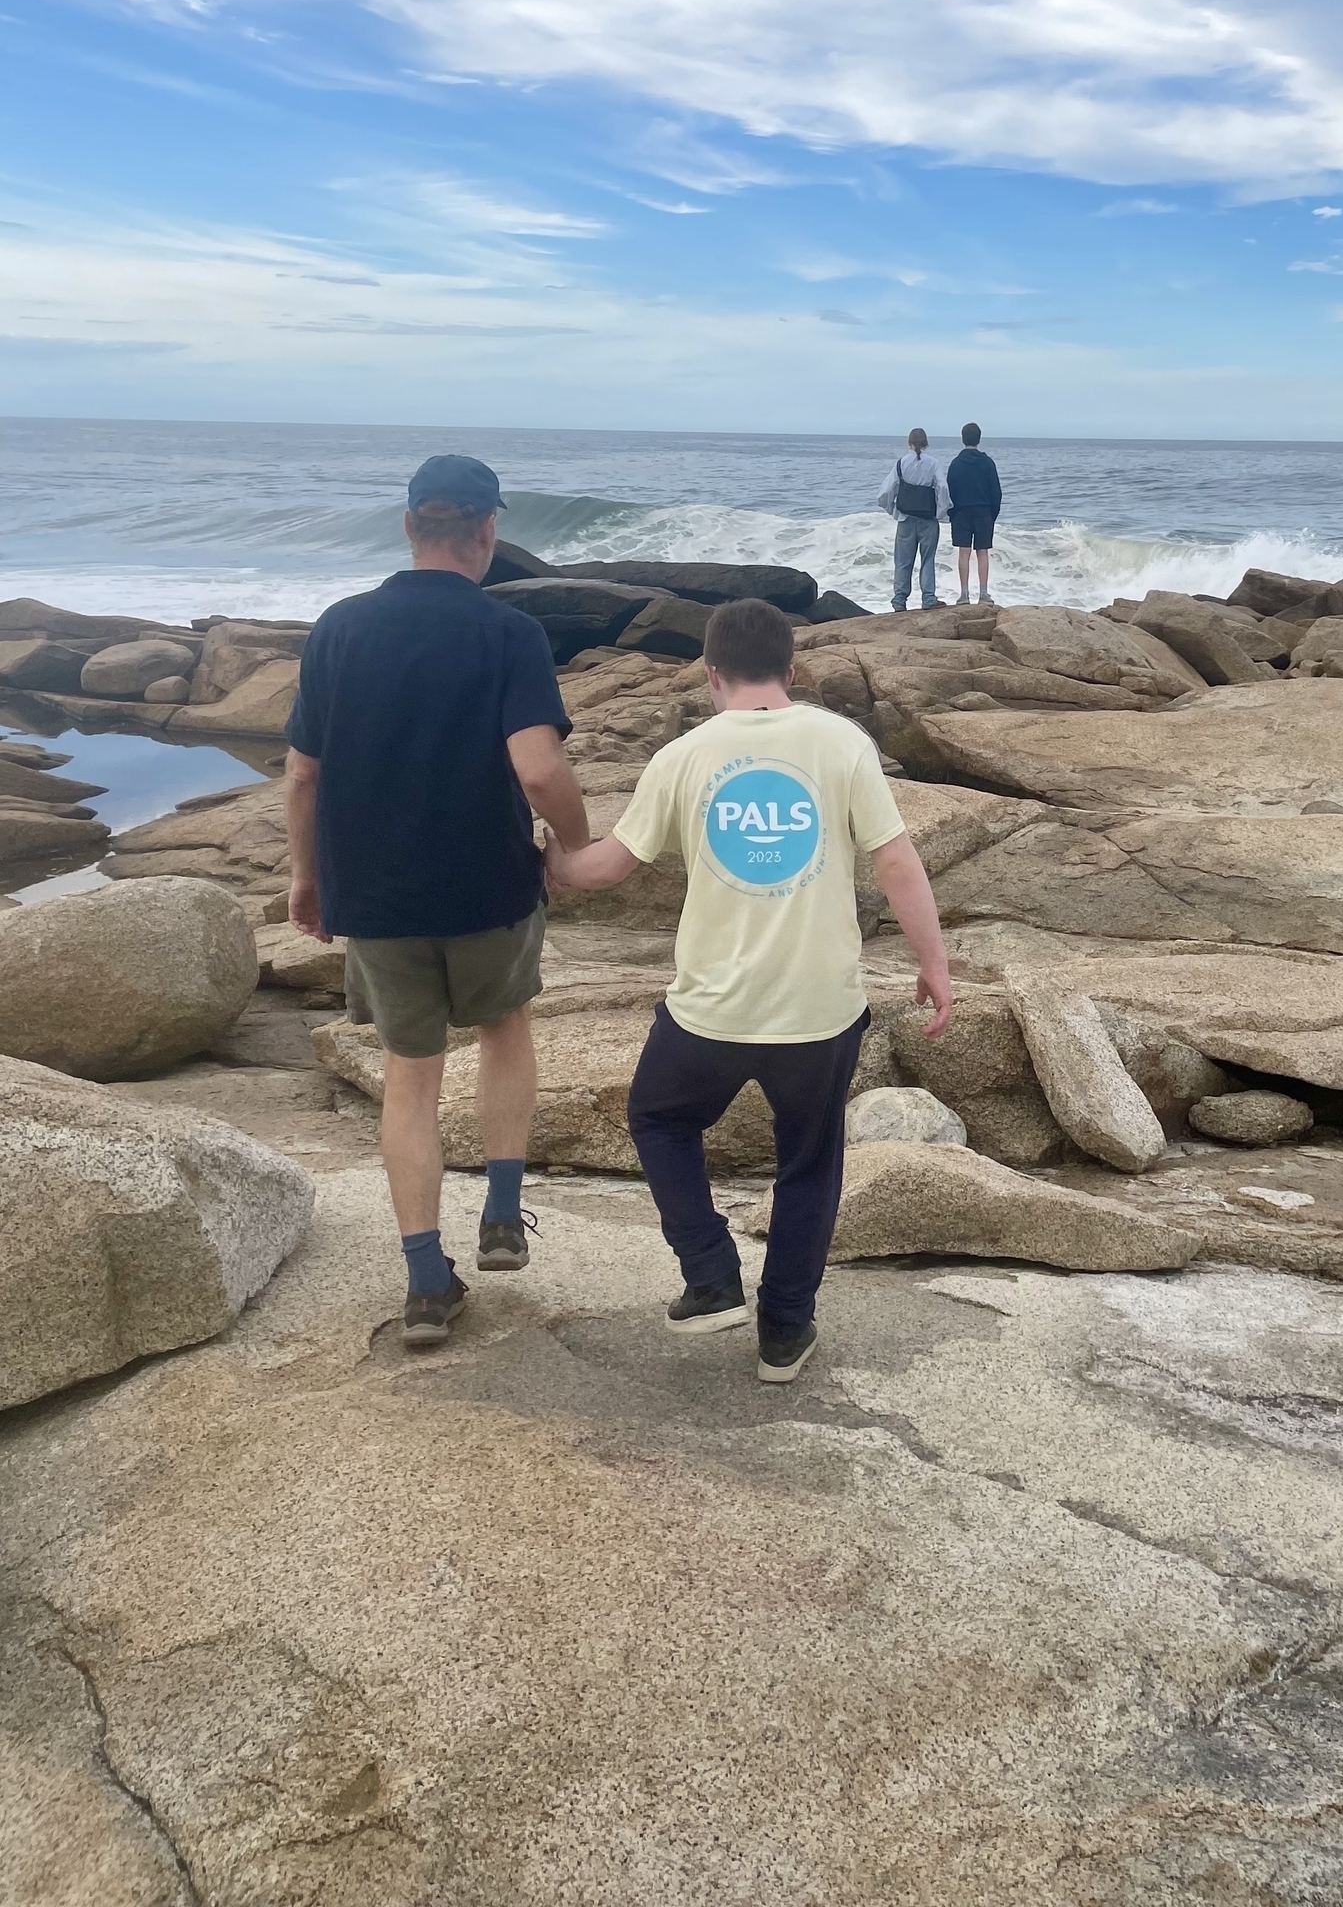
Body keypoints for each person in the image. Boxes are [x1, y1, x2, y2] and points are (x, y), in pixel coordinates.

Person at [546, 597, 953, 1384]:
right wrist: (932, 963)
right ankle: (784, 1335)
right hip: (821, 1010)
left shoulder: (684, 756)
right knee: (809, 1163)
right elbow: (896, 861)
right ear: (793, 671)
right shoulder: (841, 744)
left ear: (711, 676)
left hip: (712, 1008)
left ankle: (709, 1275)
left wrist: (549, 867)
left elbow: (609, 866)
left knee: (660, 1120)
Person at [285, 454, 592, 1347]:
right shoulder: (507, 634)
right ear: (489, 531)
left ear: (409, 526)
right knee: (505, 1030)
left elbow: (303, 774)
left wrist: (307, 878)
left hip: (374, 897)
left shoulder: (339, 630)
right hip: (488, 887)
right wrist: (573, 846)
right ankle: (501, 1212)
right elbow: (539, 767)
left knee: (409, 1082)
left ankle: (426, 1283)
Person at [877, 427, 951, 612]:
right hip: (928, 519)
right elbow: (942, 488)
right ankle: (928, 598)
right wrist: (941, 512)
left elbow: (886, 491)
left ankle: (899, 600)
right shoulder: (933, 463)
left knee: (903, 561)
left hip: (905, 518)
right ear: (926, 443)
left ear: (909, 443)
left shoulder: (901, 463)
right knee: (927, 559)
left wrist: (892, 509)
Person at [946, 422, 1003, 604]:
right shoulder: (987, 463)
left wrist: (952, 513)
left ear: (963, 439)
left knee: (964, 552)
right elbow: (996, 493)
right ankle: (984, 594)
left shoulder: (955, 463)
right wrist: (992, 514)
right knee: (982, 552)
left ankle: (964, 594)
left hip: (961, 512)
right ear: (979, 439)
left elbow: (949, 491)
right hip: (983, 511)